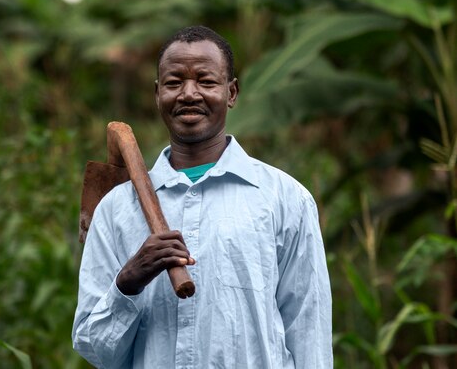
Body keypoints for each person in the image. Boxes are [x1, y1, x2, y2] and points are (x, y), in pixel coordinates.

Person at [72, 25, 332, 368]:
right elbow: (95, 349)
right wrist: (129, 281)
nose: (188, 94)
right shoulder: (116, 209)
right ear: (157, 93)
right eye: (174, 82)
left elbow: (309, 333)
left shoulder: (285, 200)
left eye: (206, 82)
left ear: (232, 92)